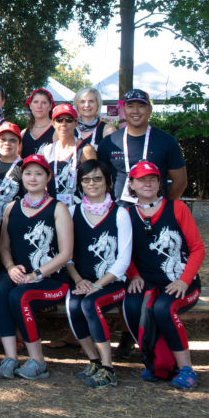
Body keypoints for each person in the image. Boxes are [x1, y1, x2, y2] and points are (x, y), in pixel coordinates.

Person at [121, 160, 205, 390]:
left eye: (152, 179)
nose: (147, 184)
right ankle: (156, 361)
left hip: (180, 282)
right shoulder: (126, 214)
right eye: (141, 180)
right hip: (148, 282)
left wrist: (184, 280)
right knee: (131, 306)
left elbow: (198, 249)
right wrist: (134, 275)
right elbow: (124, 252)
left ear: (160, 184)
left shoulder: (177, 208)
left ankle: (186, 368)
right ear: (132, 184)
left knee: (163, 309)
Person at [0, 154, 73, 381]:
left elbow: (66, 253)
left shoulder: (58, 208)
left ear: (48, 177)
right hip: (20, 275)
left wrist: (35, 274)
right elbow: (4, 246)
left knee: (20, 296)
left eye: (39, 173)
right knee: (0, 288)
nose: (33, 178)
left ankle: (38, 361)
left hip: (51, 280)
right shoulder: (11, 208)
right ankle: (10, 357)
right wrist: (10, 267)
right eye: (28, 173)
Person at [65, 159, 131, 388]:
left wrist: (96, 285)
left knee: (89, 304)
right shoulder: (72, 212)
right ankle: (94, 360)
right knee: (73, 306)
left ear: (108, 182)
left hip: (112, 283)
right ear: (80, 184)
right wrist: (78, 280)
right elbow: (67, 255)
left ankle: (108, 367)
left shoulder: (120, 214)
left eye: (97, 179)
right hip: (82, 281)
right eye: (86, 179)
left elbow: (123, 260)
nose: (91, 183)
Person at [97, 88, 187, 203]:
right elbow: (101, 180)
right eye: (130, 106)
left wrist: (165, 207)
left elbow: (180, 182)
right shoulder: (109, 142)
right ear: (124, 110)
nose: (135, 111)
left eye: (141, 106)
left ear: (150, 109)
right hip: (119, 210)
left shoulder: (167, 141)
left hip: (155, 211)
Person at [37, 103, 97, 207]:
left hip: (80, 208)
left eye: (69, 120)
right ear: (53, 123)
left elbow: (95, 182)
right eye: (59, 120)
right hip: (53, 208)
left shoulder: (85, 150)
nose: (64, 124)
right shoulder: (47, 150)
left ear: (75, 123)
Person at [0, 122, 24, 220]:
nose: (7, 143)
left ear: (19, 144)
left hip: (14, 221)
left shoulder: (25, 168)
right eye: (3, 139)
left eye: (12, 140)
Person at [21, 88, 54, 158]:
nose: (39, 106)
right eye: (35, 102)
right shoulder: (23, 134)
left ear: (50, 106)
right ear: (30, 105)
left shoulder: (57, 131)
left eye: (44, 102)